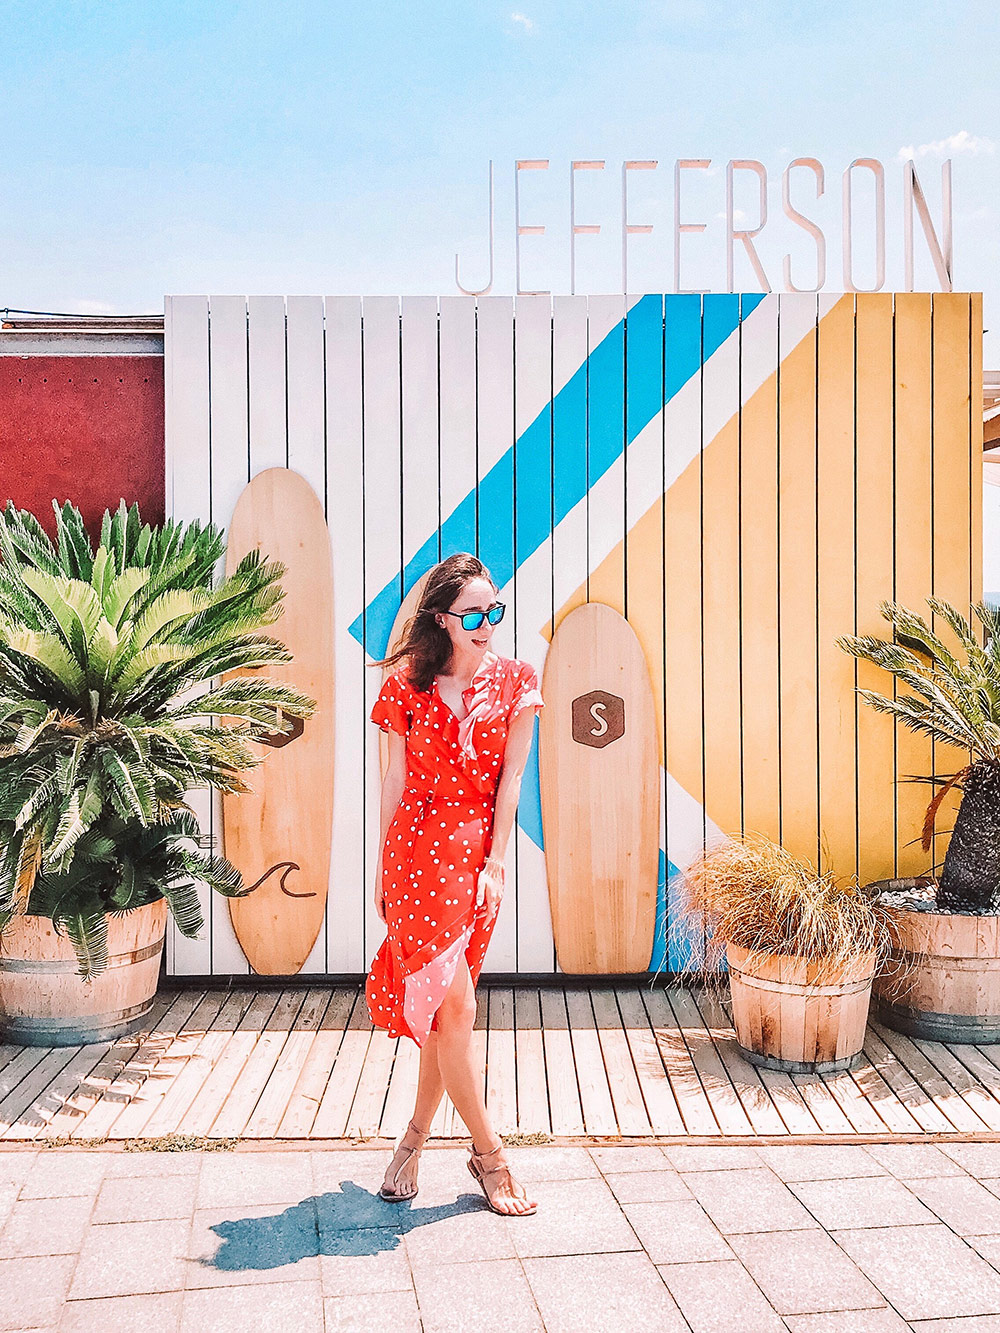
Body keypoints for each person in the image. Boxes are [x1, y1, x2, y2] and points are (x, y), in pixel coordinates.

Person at [365, 552, 543, 1216]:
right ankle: (489, 1156)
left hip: (472, 862)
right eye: (474, 613)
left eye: (494, 611)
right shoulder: (407, 689)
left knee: (446, 1014)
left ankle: (411, 1141)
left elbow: (512, 784)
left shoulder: (517, 682)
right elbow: (394, 781)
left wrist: (496, 864)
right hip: (414, 859)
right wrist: (381, 866)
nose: (487, 623)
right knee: (457, 1009)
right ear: (442, 618)